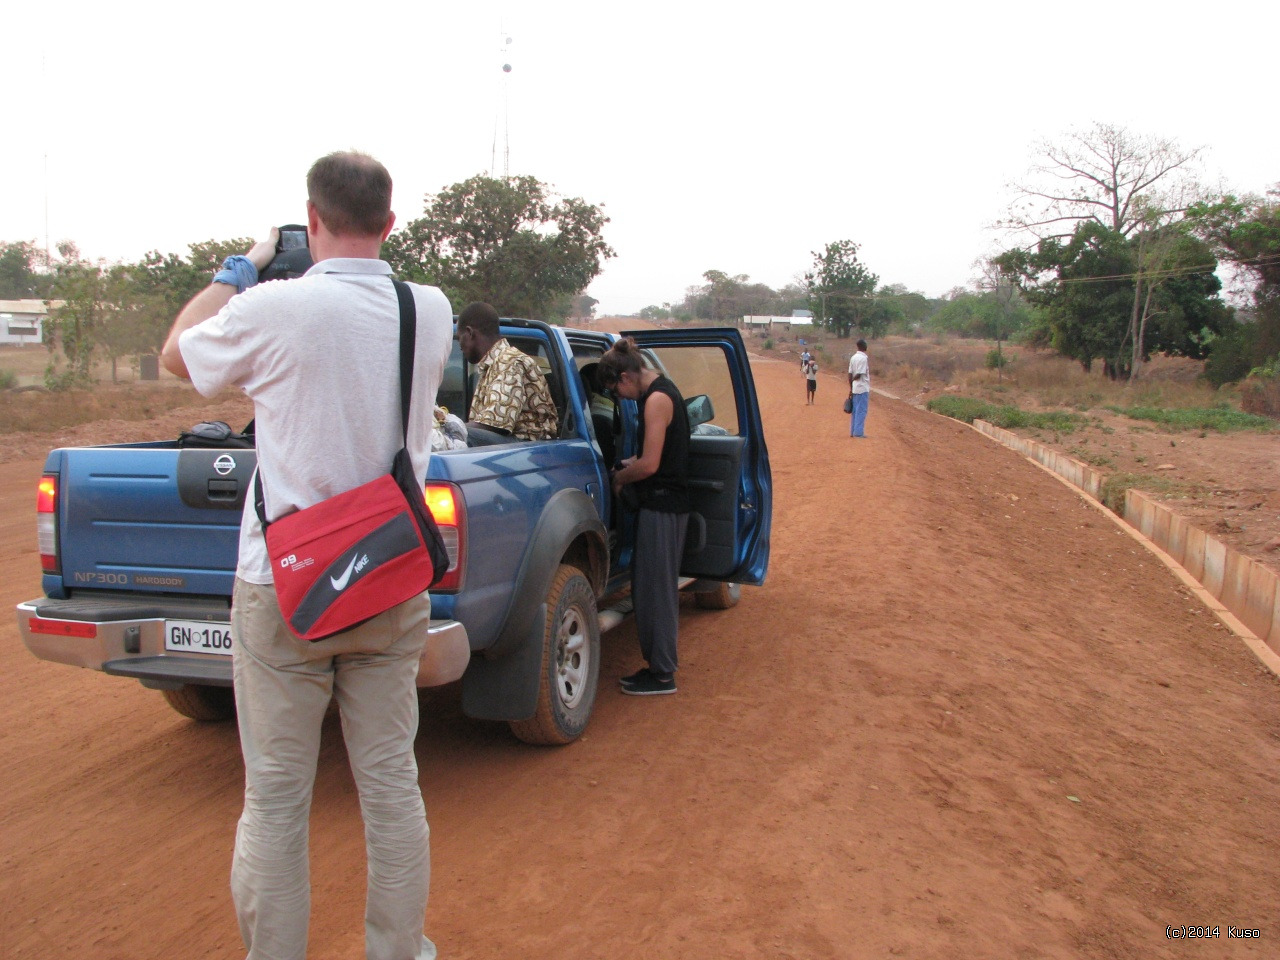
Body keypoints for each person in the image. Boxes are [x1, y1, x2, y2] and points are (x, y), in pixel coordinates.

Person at [160, 151, 451, 960]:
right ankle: (399, 951)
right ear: (390, 224)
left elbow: (176, 354)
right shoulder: (428, 308)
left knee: (278, 799)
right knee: (392, 783)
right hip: (391, 576)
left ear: (312, 220)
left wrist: (243, 266)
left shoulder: (275, 305)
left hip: (285, 587)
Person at [600, 338, 691, 697]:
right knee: (652, 588)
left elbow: (651, 464)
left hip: (663, 507)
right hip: (663, 505)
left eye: (617, 391)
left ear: (626, 377)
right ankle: (658, 668)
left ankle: (663, 675)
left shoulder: (656, 399)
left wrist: (620, 478)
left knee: (657, 593)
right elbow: (656, 457)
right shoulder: (661, 392)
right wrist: (629, 463)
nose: (622, 399)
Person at [457, 301, 559, 445]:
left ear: (469, 333)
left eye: (459, 337)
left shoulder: (509, 362)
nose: (460, 346)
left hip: (527, 446)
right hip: (517, 446)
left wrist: (449, 427)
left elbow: (495, 425)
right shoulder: (493, 364)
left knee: (456, 435)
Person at [847, 338, 870, 438]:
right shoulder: (863, 358)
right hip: (862, 387)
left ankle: (853, 431)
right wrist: (853, 381)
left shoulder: (853, 357)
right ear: (863, 346)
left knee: (855, 410)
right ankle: (858, 432)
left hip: (855, 388)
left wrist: (851, 386)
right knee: (861, 410)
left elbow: (850, 373)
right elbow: (860, 374)